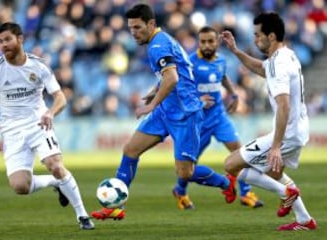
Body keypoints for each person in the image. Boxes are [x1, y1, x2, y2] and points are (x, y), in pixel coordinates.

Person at [91, 3, 236, 220]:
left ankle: (226, 182)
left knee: (184, 172)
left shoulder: (157, 46)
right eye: (131, 28)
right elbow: (172, 74)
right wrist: (154, 92)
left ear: (151, 24)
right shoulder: (163, 40)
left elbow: (172, 77)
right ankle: (116, 206)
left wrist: (150, 105)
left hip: (185, 114)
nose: (134, 33)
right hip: (166, 110)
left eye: (138, 27)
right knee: (130, 150)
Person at [0, 22, 94, 230]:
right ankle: (55, 183)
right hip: (12, 131)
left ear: (20, 39)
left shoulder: (39, 66)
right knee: (20, 186)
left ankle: (82, 216)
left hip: (39, 124)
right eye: (0, 41)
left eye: (8, 40)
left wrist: (50, 112)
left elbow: (60, 98)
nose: (3, 45)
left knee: (56, 165)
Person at [221, 12, 317, 230]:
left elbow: (284, 105)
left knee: (232, 165)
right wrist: (236, 51)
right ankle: (304, 220)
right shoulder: (286, 55)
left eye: (257, 35)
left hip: (287, 134)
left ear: (271, 36)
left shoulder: (277, 64)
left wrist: (275, 146)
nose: (255, 40)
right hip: (299, 130)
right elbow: (259, 68)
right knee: (275, 173)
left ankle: (287, 193)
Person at [172, 26, 264, 210]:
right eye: (203, 41)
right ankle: (180, 191)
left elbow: (222, 77)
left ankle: (246, 193)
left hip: (219, 116)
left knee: (239, 152)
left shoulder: (221, 60)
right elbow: (178, 89)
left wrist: (234, 94)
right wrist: (197, 100)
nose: (206, 45)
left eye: (210, 41)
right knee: (188, 167)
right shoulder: (190, 63)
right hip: (198, 122)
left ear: (217, 42)